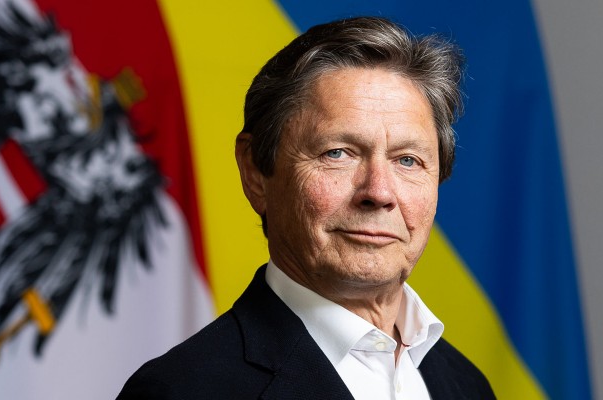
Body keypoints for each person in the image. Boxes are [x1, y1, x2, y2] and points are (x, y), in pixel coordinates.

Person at [117, 16, 494, 399]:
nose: (379, 192)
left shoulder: (466, 386)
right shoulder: (180, 391)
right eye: (338, 153)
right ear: (255, 172)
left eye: (408, 160)